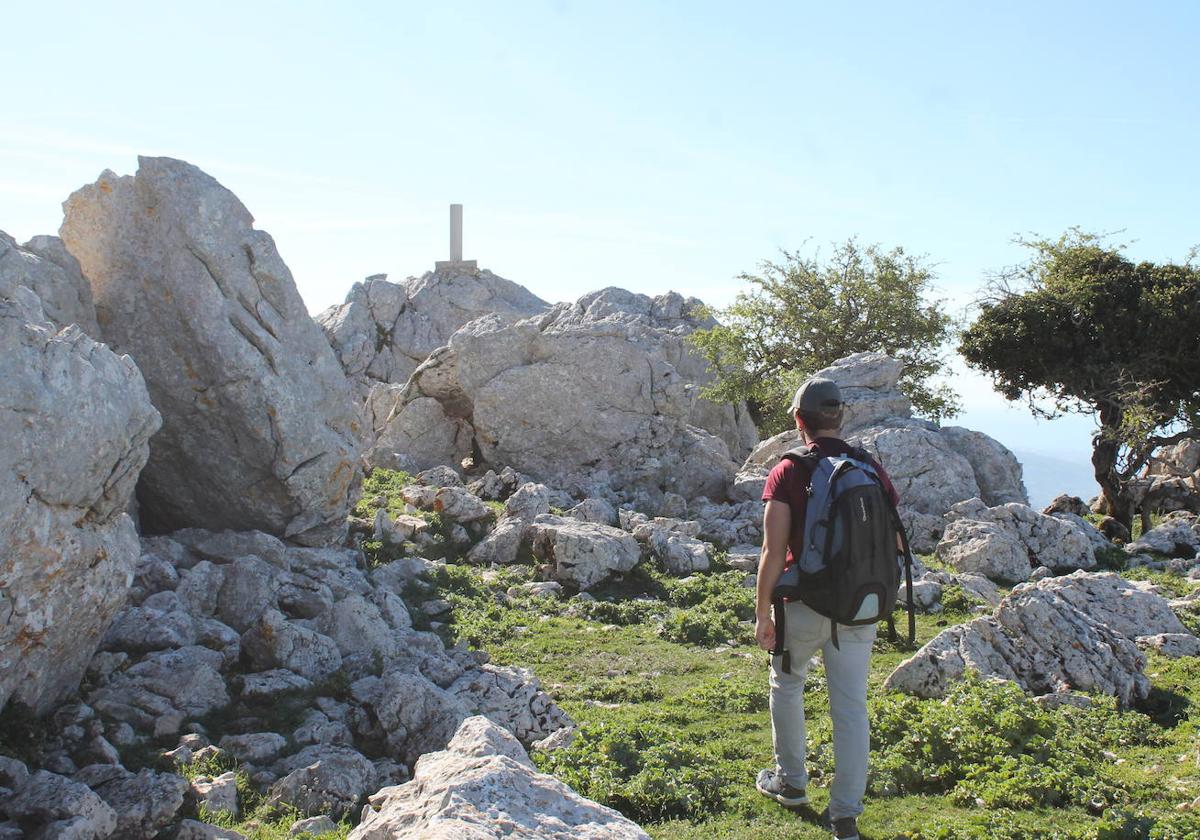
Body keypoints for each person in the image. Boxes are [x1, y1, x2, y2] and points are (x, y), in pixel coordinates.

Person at [753, 376, 900, 840]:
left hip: (804, 602)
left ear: (799, 420)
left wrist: (762, 613)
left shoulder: (789, 469)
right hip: (859, 605)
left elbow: (773, 552)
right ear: (840, 417)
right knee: (852, 707)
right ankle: (846, 815)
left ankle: (792, 784)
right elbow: (894, 540)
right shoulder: (870, 467)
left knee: (787, 684)